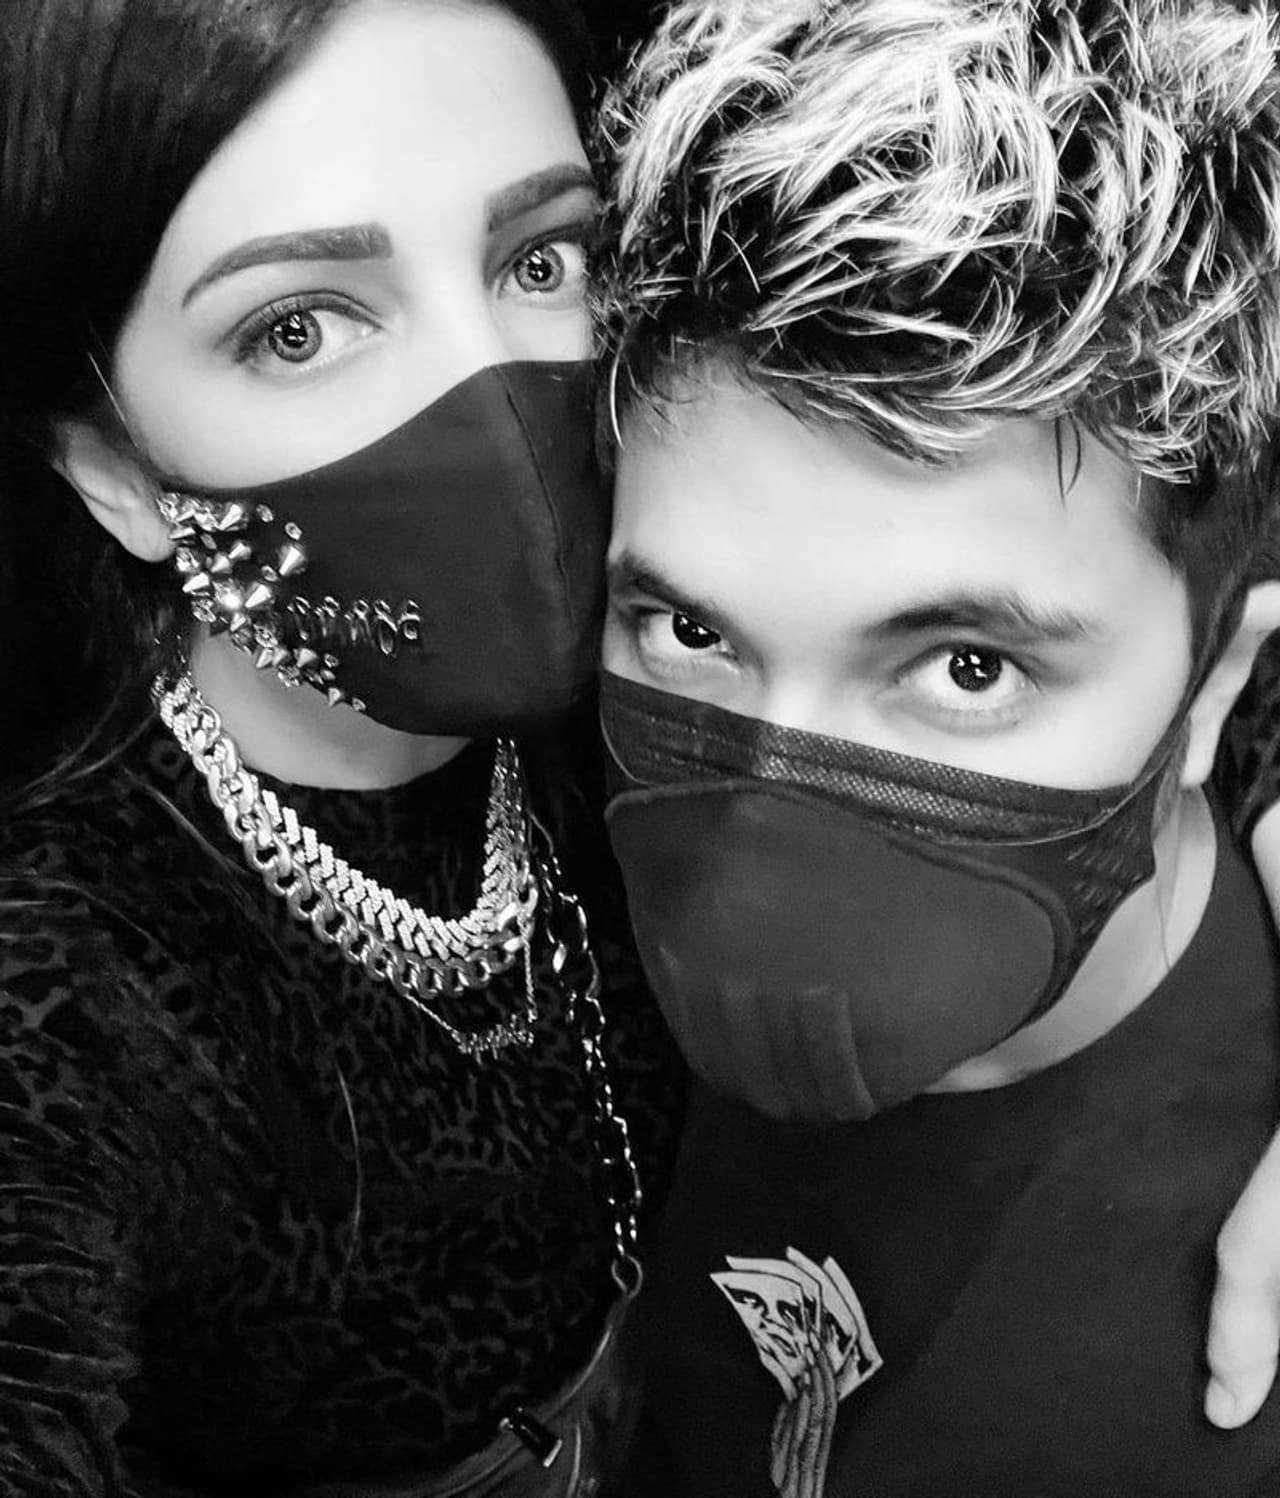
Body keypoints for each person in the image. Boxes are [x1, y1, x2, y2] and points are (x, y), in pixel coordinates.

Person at [589, 0, 1280, 1491]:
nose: (766, 837)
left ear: (1223, 676)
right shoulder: (539, 936)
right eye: (690, 632)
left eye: (968, 667)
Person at [0, 2, 681, 1494]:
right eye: (297, 328)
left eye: (542, 260)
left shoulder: (693, 669)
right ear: (112, 469)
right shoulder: (64, 978)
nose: (495, 400)